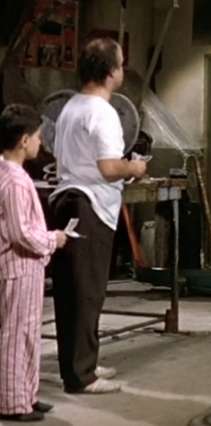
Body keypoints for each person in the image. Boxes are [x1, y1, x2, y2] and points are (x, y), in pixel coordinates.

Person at [50, 38, 147, 394]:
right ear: (110, 72)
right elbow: (108, 167)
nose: (123, 70)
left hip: (66, 199)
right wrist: (134, 167)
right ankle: (81, 376)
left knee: (72, 291)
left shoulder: (71, 106)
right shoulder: (103, 112)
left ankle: (81, 364)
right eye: (120, 64)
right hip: (88, 204)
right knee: (87, 292)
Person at [0, 104, 67, 422]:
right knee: (16, 334)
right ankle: (13, 402)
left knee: (27, 332)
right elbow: (21, 232)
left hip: (25, 267)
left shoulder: (9, 173)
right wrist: (53, 239)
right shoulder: (13, 180)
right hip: (18, 267)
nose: (41, 142)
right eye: (38, 136)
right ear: (24, 140)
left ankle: (27, 393)